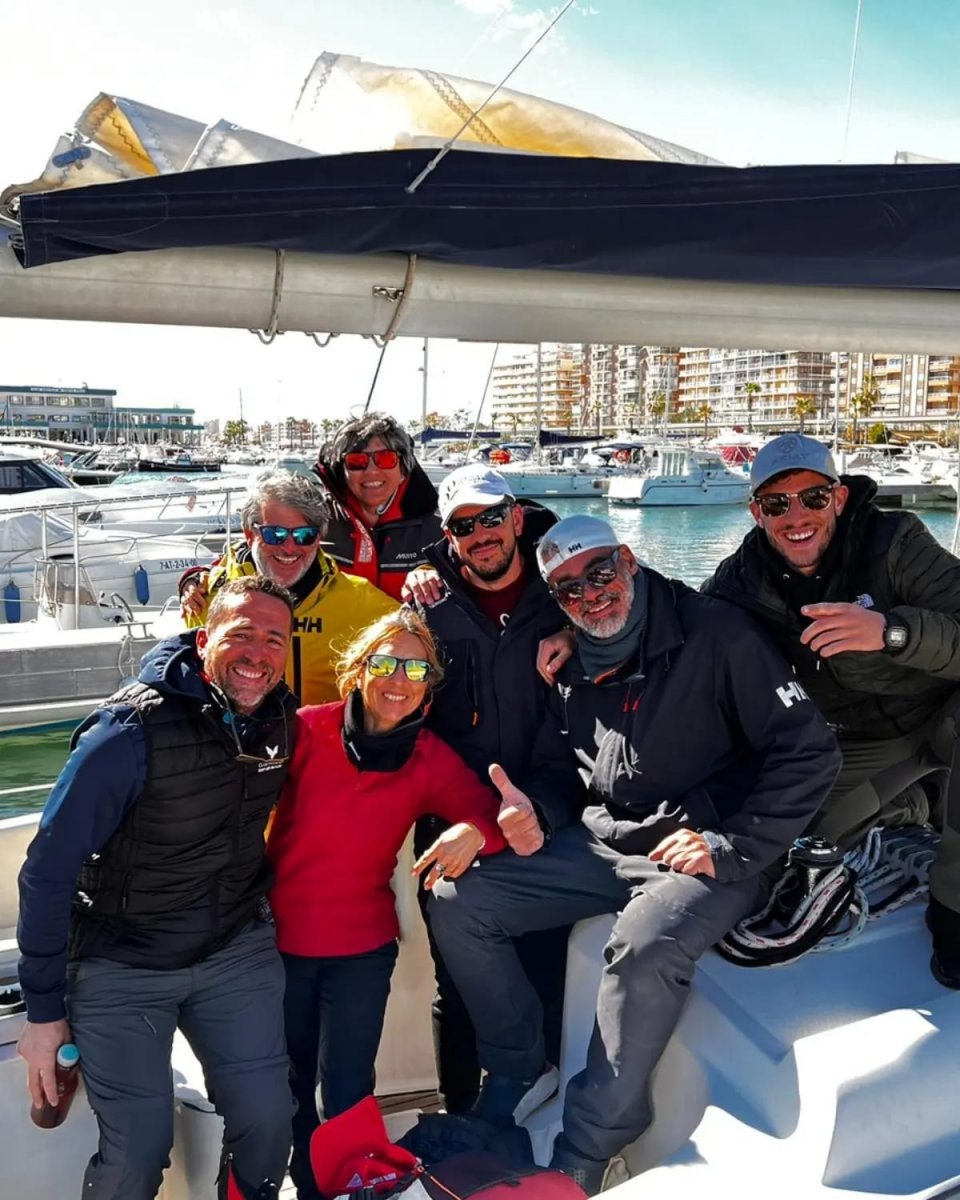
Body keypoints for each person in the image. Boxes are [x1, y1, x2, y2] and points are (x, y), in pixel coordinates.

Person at [429, 514, 841, 1193]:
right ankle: (519, 1070)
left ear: (627, 559)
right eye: (568, 590)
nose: (590, 596)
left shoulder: (715, 634)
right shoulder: (570, 660)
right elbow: (563, 772)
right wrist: (535, 813)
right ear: (555, 601)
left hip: (712, 849)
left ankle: (588, 1149)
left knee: (642, 944)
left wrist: (730, 843)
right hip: (608, 842)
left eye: (598, 573)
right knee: (457, 900)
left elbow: (809, 751)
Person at [17, 576, 300, 1200]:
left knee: (270, 1122)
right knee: (139, 1151)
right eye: (241, 635)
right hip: (123, 963)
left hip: (233, 951)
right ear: (204, 641)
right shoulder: (125, 734)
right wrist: (44, 1014)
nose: (258, 654)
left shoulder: (279, 716)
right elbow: (46, 871)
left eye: (274, 640)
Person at [701, 432, 960, 986]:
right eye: (777, 503)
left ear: (839, 499)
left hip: (940, 712)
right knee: (802, 841)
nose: (797, 515)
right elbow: (678, 626)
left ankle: (955, 907)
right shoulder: (742, 579)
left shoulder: (897, 541)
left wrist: (890, 632)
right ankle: (915, 804)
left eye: (813, 498)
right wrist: (576, 630)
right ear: (756, 513)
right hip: (857, 740)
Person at [265, 607, 507, 1200]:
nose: (399, 679)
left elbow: (490, 814)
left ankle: (343, 1187)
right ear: (357, 670)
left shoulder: (427, 757)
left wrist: (471, 832)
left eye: (416, 669)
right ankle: (291, 1185)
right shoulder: (303, 730)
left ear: (428, 687)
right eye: (386, 663)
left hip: (360, 951)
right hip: (276, 946)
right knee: (282, 1088)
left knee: (346, 1090)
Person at [405, 465, 573, 1115]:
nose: (480, 535)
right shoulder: (423, 605)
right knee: (460, 983)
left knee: (551, 971)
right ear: (448, 537)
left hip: (551, 808)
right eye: (463, 526)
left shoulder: (566, 587)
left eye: (491, 518)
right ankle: (462, 1122)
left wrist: (571, 633)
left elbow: (638, 614)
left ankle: (544, 1127)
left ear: (518, 518)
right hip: (453, 822)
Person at [180, 471, 396, 703]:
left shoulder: (361, 600)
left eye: (305, 535)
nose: (289, 548)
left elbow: (422, 641)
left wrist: (425, 575)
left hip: (321, 736)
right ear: (250, 534)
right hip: (234, 738)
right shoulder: (207, 598)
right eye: (275, 535)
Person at [314, 413, 442, 601]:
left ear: (404, 469)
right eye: (356, 461)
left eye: (385, 458)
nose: (372, 471)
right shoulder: (315, 518)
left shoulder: (439, 526)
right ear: (342, 471)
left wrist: (432, 575)